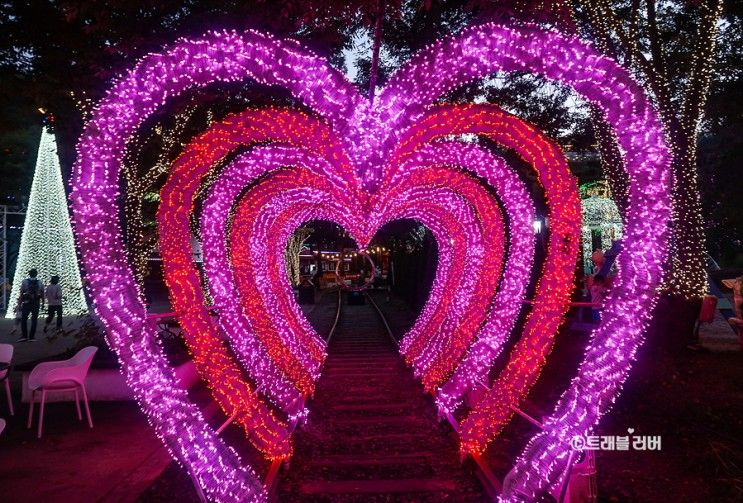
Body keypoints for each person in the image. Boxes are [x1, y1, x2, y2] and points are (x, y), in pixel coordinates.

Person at [16, 268, 45, 342]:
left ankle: (24, 336)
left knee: (24, 319)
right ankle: (32, 337)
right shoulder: (40, 282)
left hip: (26, 303)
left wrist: (19, 304)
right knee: (34, 320)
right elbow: (42, 294)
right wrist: (43, 303)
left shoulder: (25, 282)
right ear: (36, 274)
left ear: (29, 274)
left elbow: (21, 293)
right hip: (36, 303)